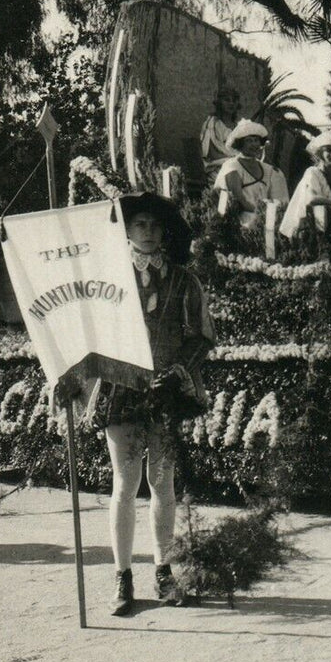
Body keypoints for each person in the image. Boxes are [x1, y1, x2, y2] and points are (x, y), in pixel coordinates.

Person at [102, 192, 216, 616]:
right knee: (124, 485)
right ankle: (122, 577)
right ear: (127, 231)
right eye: (140, 224)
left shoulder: (184, 280)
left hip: (167, 392)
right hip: (121, 388)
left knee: (162, 483)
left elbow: (202, 335)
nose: (148, 232)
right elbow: (92, 329)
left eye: (154, 225)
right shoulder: (109, 279)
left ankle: (164, 571)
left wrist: (177, 372)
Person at [214, 119, 289, 227]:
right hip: (243, 220)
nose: (254, 144)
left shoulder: (269, 170)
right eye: (249, 141)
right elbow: (238, 199)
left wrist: (271, 213)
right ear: (240, 144)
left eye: (256, 140)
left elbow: (279, 200)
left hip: (267, 218)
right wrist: (262, 213)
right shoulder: (231, 166)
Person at [200, 87, 241, 187]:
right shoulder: (212, 124)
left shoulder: (239, 125)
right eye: (227, 100)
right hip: (218, 167)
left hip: (240, 164)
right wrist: (234, 160)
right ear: (219, 103)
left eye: (234, 100)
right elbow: (211, 153)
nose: (231, 103)